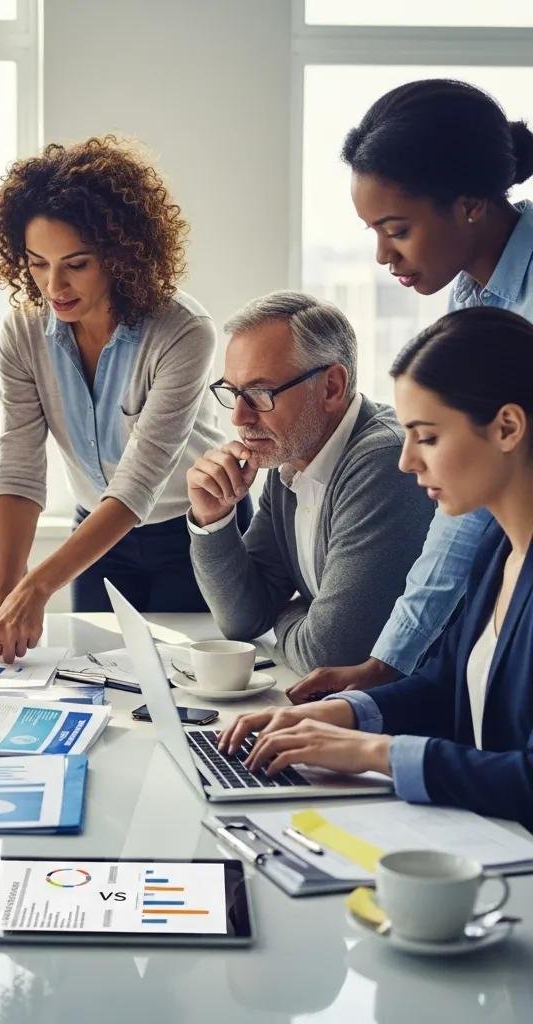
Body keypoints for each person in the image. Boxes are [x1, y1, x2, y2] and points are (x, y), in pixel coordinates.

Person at [221, 307, 533, 829]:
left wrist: (373, 754)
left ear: (507, 427)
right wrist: (341, 715)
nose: (408, 461)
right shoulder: (496, 553)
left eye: (427, 437)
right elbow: (447, 686)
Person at [0, 135, 239, 671]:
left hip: (191, 535)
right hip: (96, 538)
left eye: (75, 264)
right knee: (95, 683)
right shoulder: (24, 333)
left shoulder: (182, 331)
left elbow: (137, 484)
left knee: (191, 692)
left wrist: (36, 589)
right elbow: (21, 470)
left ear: (122, 256)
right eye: (36, 264)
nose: (53, 286)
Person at [289, 77, 533, 701]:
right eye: (373, 230)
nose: (381, 255)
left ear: (470, 205)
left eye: (396, 228)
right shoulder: (469, 294)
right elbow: (462, 505)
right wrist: (387, 664)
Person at [186, 291, 433, 675]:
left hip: (413, 717)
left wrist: (289, 613)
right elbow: (243, 620)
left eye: (260, 393)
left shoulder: (385, 460)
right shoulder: (289, 459)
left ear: (332, 387)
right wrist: (213, 520)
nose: (238, 416)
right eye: (233, 393)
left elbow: (329, 656)